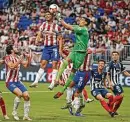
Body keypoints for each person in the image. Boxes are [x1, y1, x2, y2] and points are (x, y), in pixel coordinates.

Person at [54, 15, 90, 98]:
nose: (80, 20)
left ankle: (62, 91)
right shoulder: (78, 27)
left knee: (72, 73)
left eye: (82, 20)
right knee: (65, 62)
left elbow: (67, 26)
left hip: (81, 53)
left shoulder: (83, 29)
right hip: (74, 51)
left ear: (85, 23)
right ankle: (56, 80)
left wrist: (59, 17)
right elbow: (67, 27)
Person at [30, 11, 63, 90]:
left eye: (49, 14)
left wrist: (60, 49)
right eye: (46, 15)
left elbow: (60, 39)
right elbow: (39, 34)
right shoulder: (43, 25)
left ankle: (52, 83)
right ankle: (36, 81)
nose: (47, 16)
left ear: (52, 16)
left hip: (54, 47)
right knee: (43, 64)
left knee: (54, 64)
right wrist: (37, 40)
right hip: (46, 47)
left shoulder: (56, 27)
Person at [4, 45, 32, 121]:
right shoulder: (7, 58)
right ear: (11, 50)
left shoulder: (17, 57)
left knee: (27, 96)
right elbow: (11, 66)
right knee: (19, 94)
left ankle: (26, 116)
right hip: (9, 81)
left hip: (17, 81)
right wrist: (19, 60)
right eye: (15, 47)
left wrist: (29, 58)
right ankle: (14, 112)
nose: (17, 48)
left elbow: (26, 65)